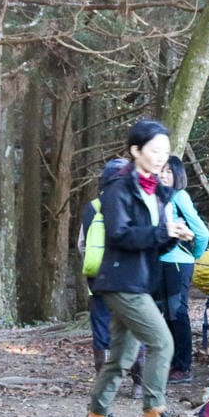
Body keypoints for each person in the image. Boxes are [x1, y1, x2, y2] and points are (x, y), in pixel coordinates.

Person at [80, 119, 195, 417]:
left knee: (122, 357)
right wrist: (163, 233)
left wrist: (173, 233)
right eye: (154, 150)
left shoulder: (156, 193)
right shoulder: (120, 189)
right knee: (162, 343)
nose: (161, 157)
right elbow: (119, 235)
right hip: (120, 282)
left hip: (139, 281)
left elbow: (150, 244)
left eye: (165, 151)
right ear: (135, 151)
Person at [157, 156, 209, 385]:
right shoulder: (158, 198)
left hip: (178, 263)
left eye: (168, 172)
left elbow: (202, 232)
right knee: (165, 316)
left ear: (178, 174)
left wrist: (193, 255)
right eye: (160, 171)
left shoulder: (180, 196)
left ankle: (183, 367)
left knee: (177, 314)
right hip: (159, 262)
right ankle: (171, 364)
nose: (163, 176)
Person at [77, 158, 130, 373]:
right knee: (132, 325)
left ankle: (104, 377)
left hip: (97, 275)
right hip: (128, 276)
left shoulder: (92, 207)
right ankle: (137, 381)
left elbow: (82, 244)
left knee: (101, 325)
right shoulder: (133, 205)